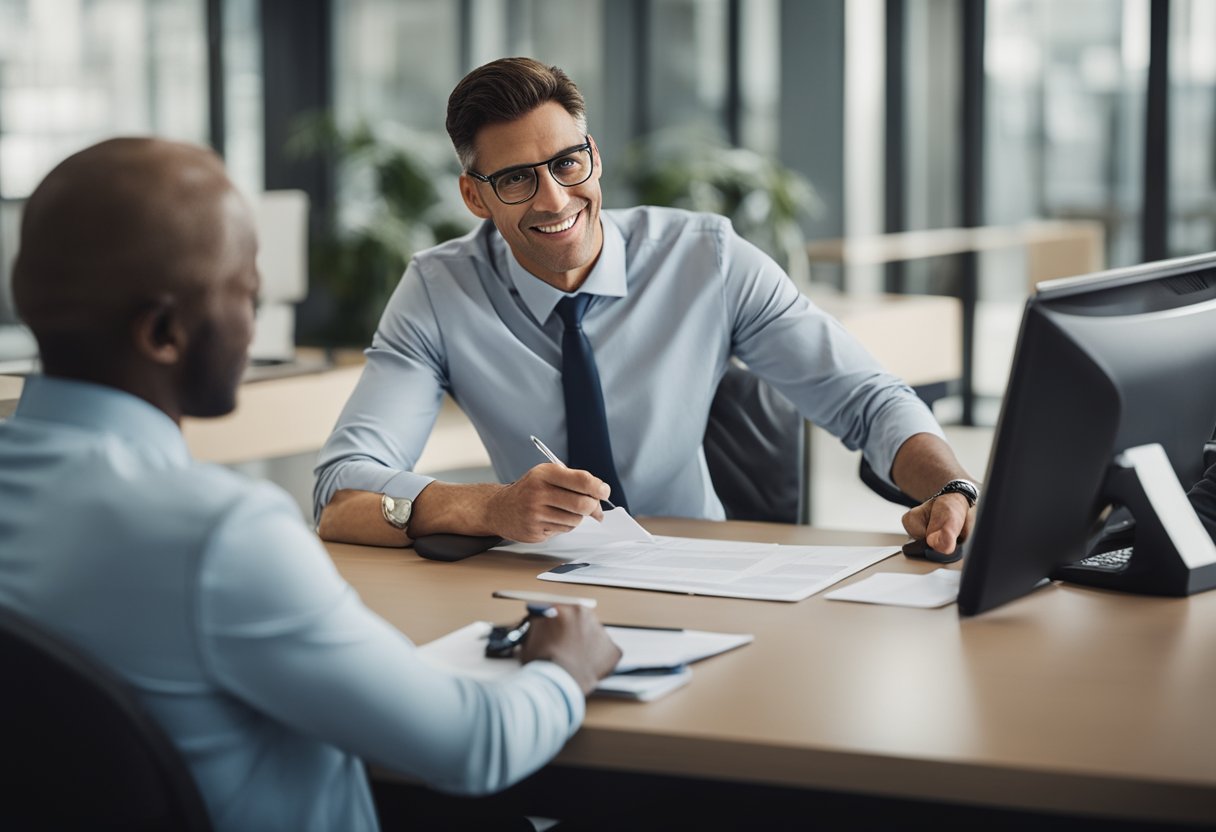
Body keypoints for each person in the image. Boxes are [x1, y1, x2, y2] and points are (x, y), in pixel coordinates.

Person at [0, 137, 620, 832]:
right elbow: (474, 747)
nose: (252, 322)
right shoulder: (219, 535)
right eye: (246, 293)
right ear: (166, 333)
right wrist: (564, 666)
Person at [315, 56, 979, 556]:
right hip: (538, 581)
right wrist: (491, 508)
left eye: (567, 164)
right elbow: (341, 492)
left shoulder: (706, 258)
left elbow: (866, 398)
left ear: (593, 158)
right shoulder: (439, 291)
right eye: (516, 179)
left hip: (704, 572)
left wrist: (950, 489)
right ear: (474, 196)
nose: (552, 199)